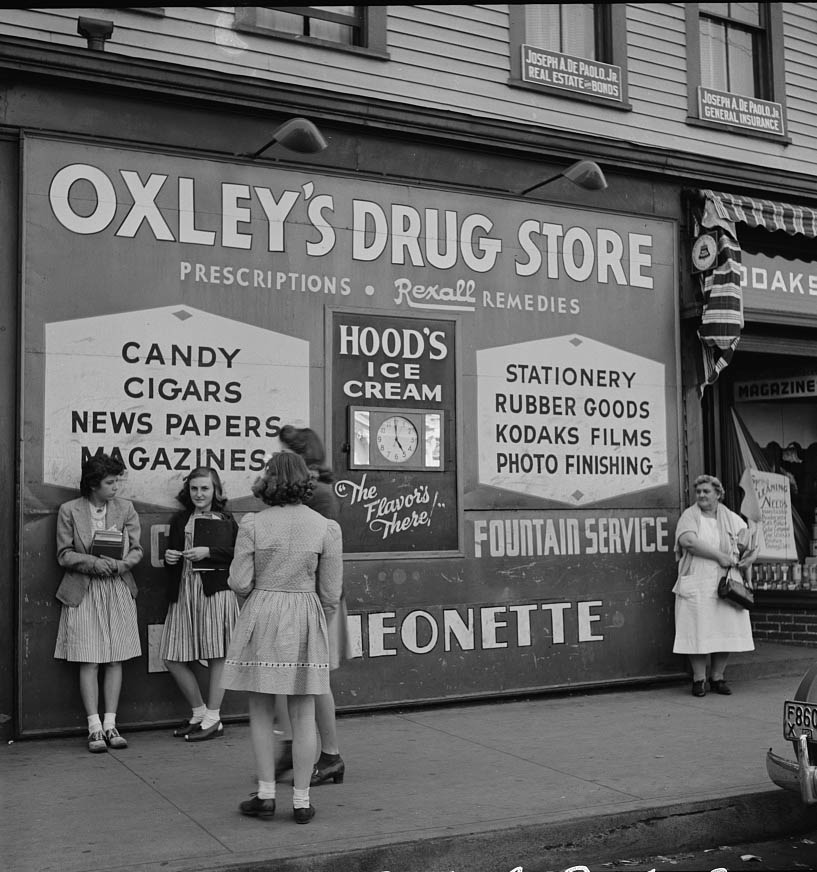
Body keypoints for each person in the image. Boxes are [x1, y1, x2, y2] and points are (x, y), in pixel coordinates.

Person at [222, 452, 343, 824]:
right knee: (304, 711)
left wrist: (257, 600)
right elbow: (330, 593)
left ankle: (266, 795)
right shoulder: (325, 527)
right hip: (306, 614)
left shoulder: (253, 524)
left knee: (260, 710)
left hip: (262, 612)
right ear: (305, 480)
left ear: (269, 480)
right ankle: (302, 801)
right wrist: (318, 619)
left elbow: (240, 581)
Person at [54, 454, 143, 753]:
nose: (116, 486)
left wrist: (118, 566)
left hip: (117, 588)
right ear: (93, 484)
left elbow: (137, 551)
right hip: (84, 590)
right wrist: (94, 563)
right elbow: (64, 554)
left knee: (116, 658)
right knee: (90, 659)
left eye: (118, 480)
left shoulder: (126, 508)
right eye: (110, 482)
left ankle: (111, 723)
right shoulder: (69, 510)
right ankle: (94, 727)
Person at [278, 424, 347, 787]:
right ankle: (296, 745)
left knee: (316, 682)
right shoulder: (313, 491)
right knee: (297, 679)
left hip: (318, 598)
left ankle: (330, 754)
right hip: (307, 597)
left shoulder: (318, 494)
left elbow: (325, 553)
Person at [161, 467, 239, 741]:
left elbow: (239, 555)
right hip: (184, 591)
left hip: (215, 592)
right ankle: (199, 713)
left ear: (215, 490)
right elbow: (171, 558)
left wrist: (210, 552)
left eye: (205, 488)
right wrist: (169, 558)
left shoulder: (226, 519)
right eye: (194, 488)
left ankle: (213, 717)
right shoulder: (180, 519)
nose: (199, 494)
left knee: (218, 654)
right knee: (171, 657)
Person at [673, 474, 756, 697]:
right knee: (697, 629)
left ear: (718, 494)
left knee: (724, 628)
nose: (701, 495)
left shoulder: (732, 517)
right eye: (698, 492)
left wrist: (748, 563)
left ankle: (717, 677)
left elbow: (748, 545)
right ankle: (699, 679)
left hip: (727, 584)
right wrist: (719, 556)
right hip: (698, 580)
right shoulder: (690, 516)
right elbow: (688, 541)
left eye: (706, 491)